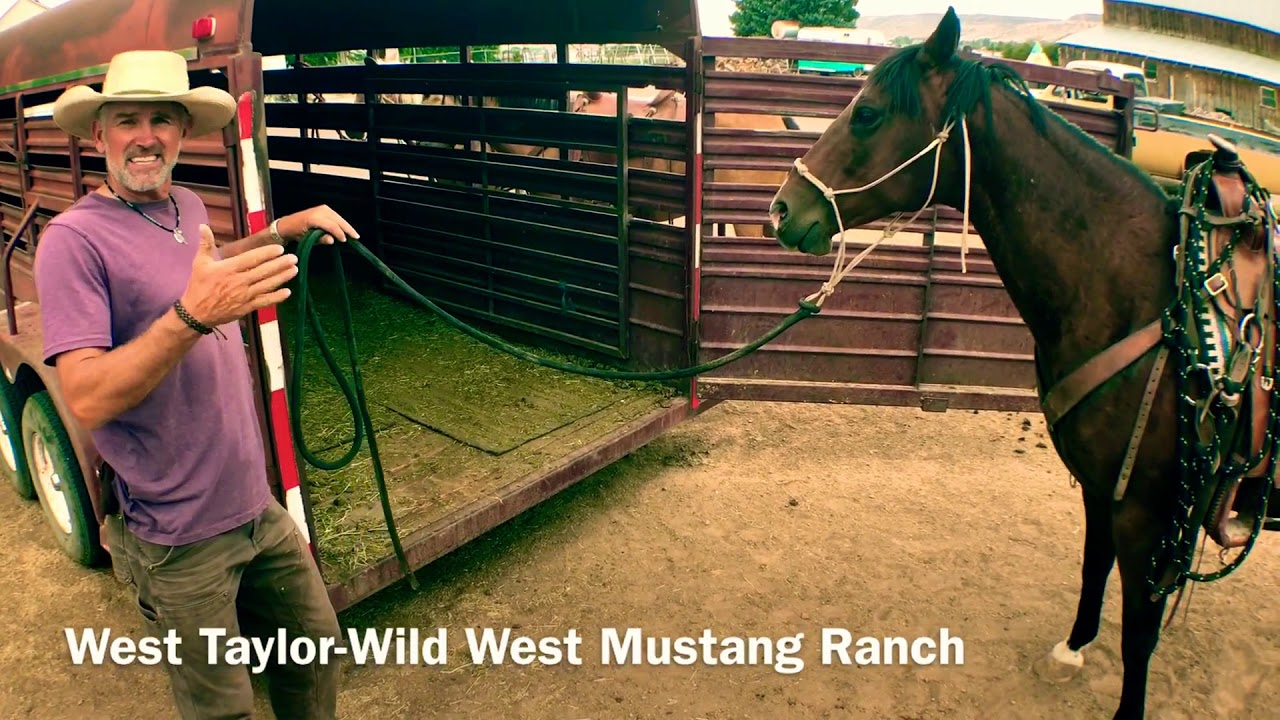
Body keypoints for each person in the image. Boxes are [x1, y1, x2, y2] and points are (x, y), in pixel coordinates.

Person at [33, 50, 357, 719]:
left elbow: (207, 270)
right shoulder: (74, 242)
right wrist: (190, 319)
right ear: (99, 135)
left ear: (183, 133)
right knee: (223, 710)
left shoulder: (181, 203)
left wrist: (283, 230)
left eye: (162, 119)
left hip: (253, 505)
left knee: (317, 647)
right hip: (178, 532)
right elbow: (87, 395)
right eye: (127, 120)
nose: (145, 135)